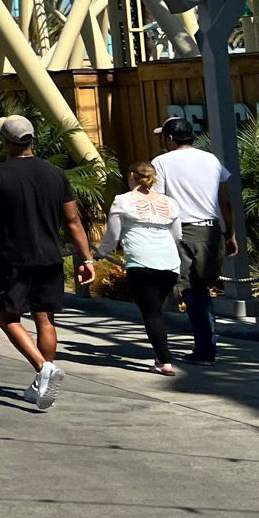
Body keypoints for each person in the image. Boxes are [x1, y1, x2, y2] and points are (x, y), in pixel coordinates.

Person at [0, 115, 96, 410]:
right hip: (50, 257)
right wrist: (86, 258)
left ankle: (44, 369)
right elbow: (72, 220)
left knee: (7, 317)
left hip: (15, 258)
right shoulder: (56, 174)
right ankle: (43, 384)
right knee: (45, 317)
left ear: (7, 143)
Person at [150, 117, 239, 366]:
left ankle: (195, 349)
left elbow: (158, 201)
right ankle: (206, 345)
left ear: (169, 138)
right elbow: (225, 200)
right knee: (200, 291)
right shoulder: (211, 160)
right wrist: (230, 233)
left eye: (163, 137)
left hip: (182, 230)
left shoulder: (162, 162)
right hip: (211, 231)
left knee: (185, 292)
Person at [97, 161, 183, 375]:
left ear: (133, 176)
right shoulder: (169, 202)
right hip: (169, 262)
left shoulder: (123, 201)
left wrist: (101, 252)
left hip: (141, 261)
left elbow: (113, 235)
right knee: (157, 311)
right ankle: (160, 356)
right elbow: (178, 235)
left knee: (151, 313)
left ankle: (165, 361)